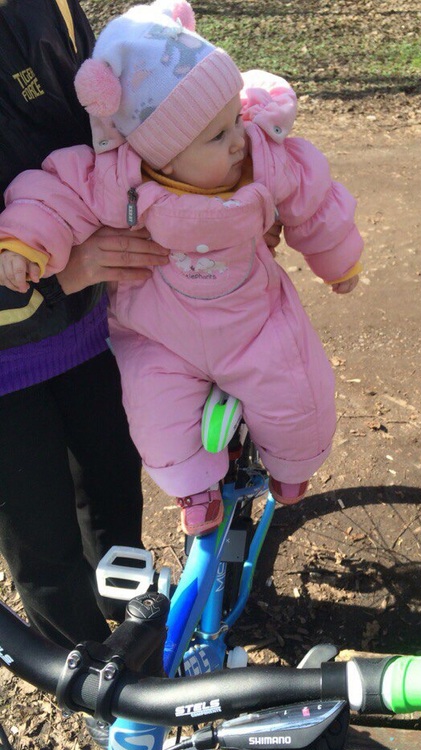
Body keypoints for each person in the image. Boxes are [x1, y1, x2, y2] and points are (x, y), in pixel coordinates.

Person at [0, 0, 363, 538]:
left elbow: (314, 199)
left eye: (235, 119)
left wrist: (338, 259)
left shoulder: (259, 156)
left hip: (253, 319)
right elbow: (53, 195)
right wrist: (25, 244)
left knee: (295, 390)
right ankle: (192, 487)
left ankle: (292, 466)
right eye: (217, 137)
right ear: (160, 157)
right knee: (155, 412)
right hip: (158, 333)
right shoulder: (119, 177)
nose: (238, 140)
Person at [0, 0, 171, 652]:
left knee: (112, 490)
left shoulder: (46, 10)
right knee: (43, 545)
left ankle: (132, 629)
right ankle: (86, 679)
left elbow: (116, 134)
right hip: (7, 371)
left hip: (87, 331)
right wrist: (55, 275)